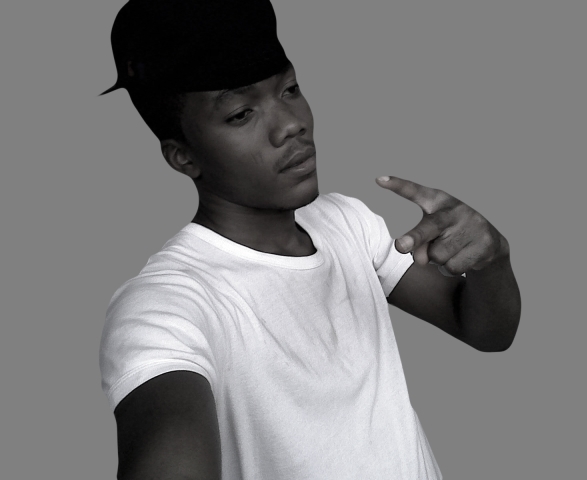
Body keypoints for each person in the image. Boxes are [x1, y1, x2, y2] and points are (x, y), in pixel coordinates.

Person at [98, 1, 521, 479]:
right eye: (241, 114)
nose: (290, 124)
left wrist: (491, 257)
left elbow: (486, 331)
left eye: (290, 90)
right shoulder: (168, 304)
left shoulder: (346, 222)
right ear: (183, 157)